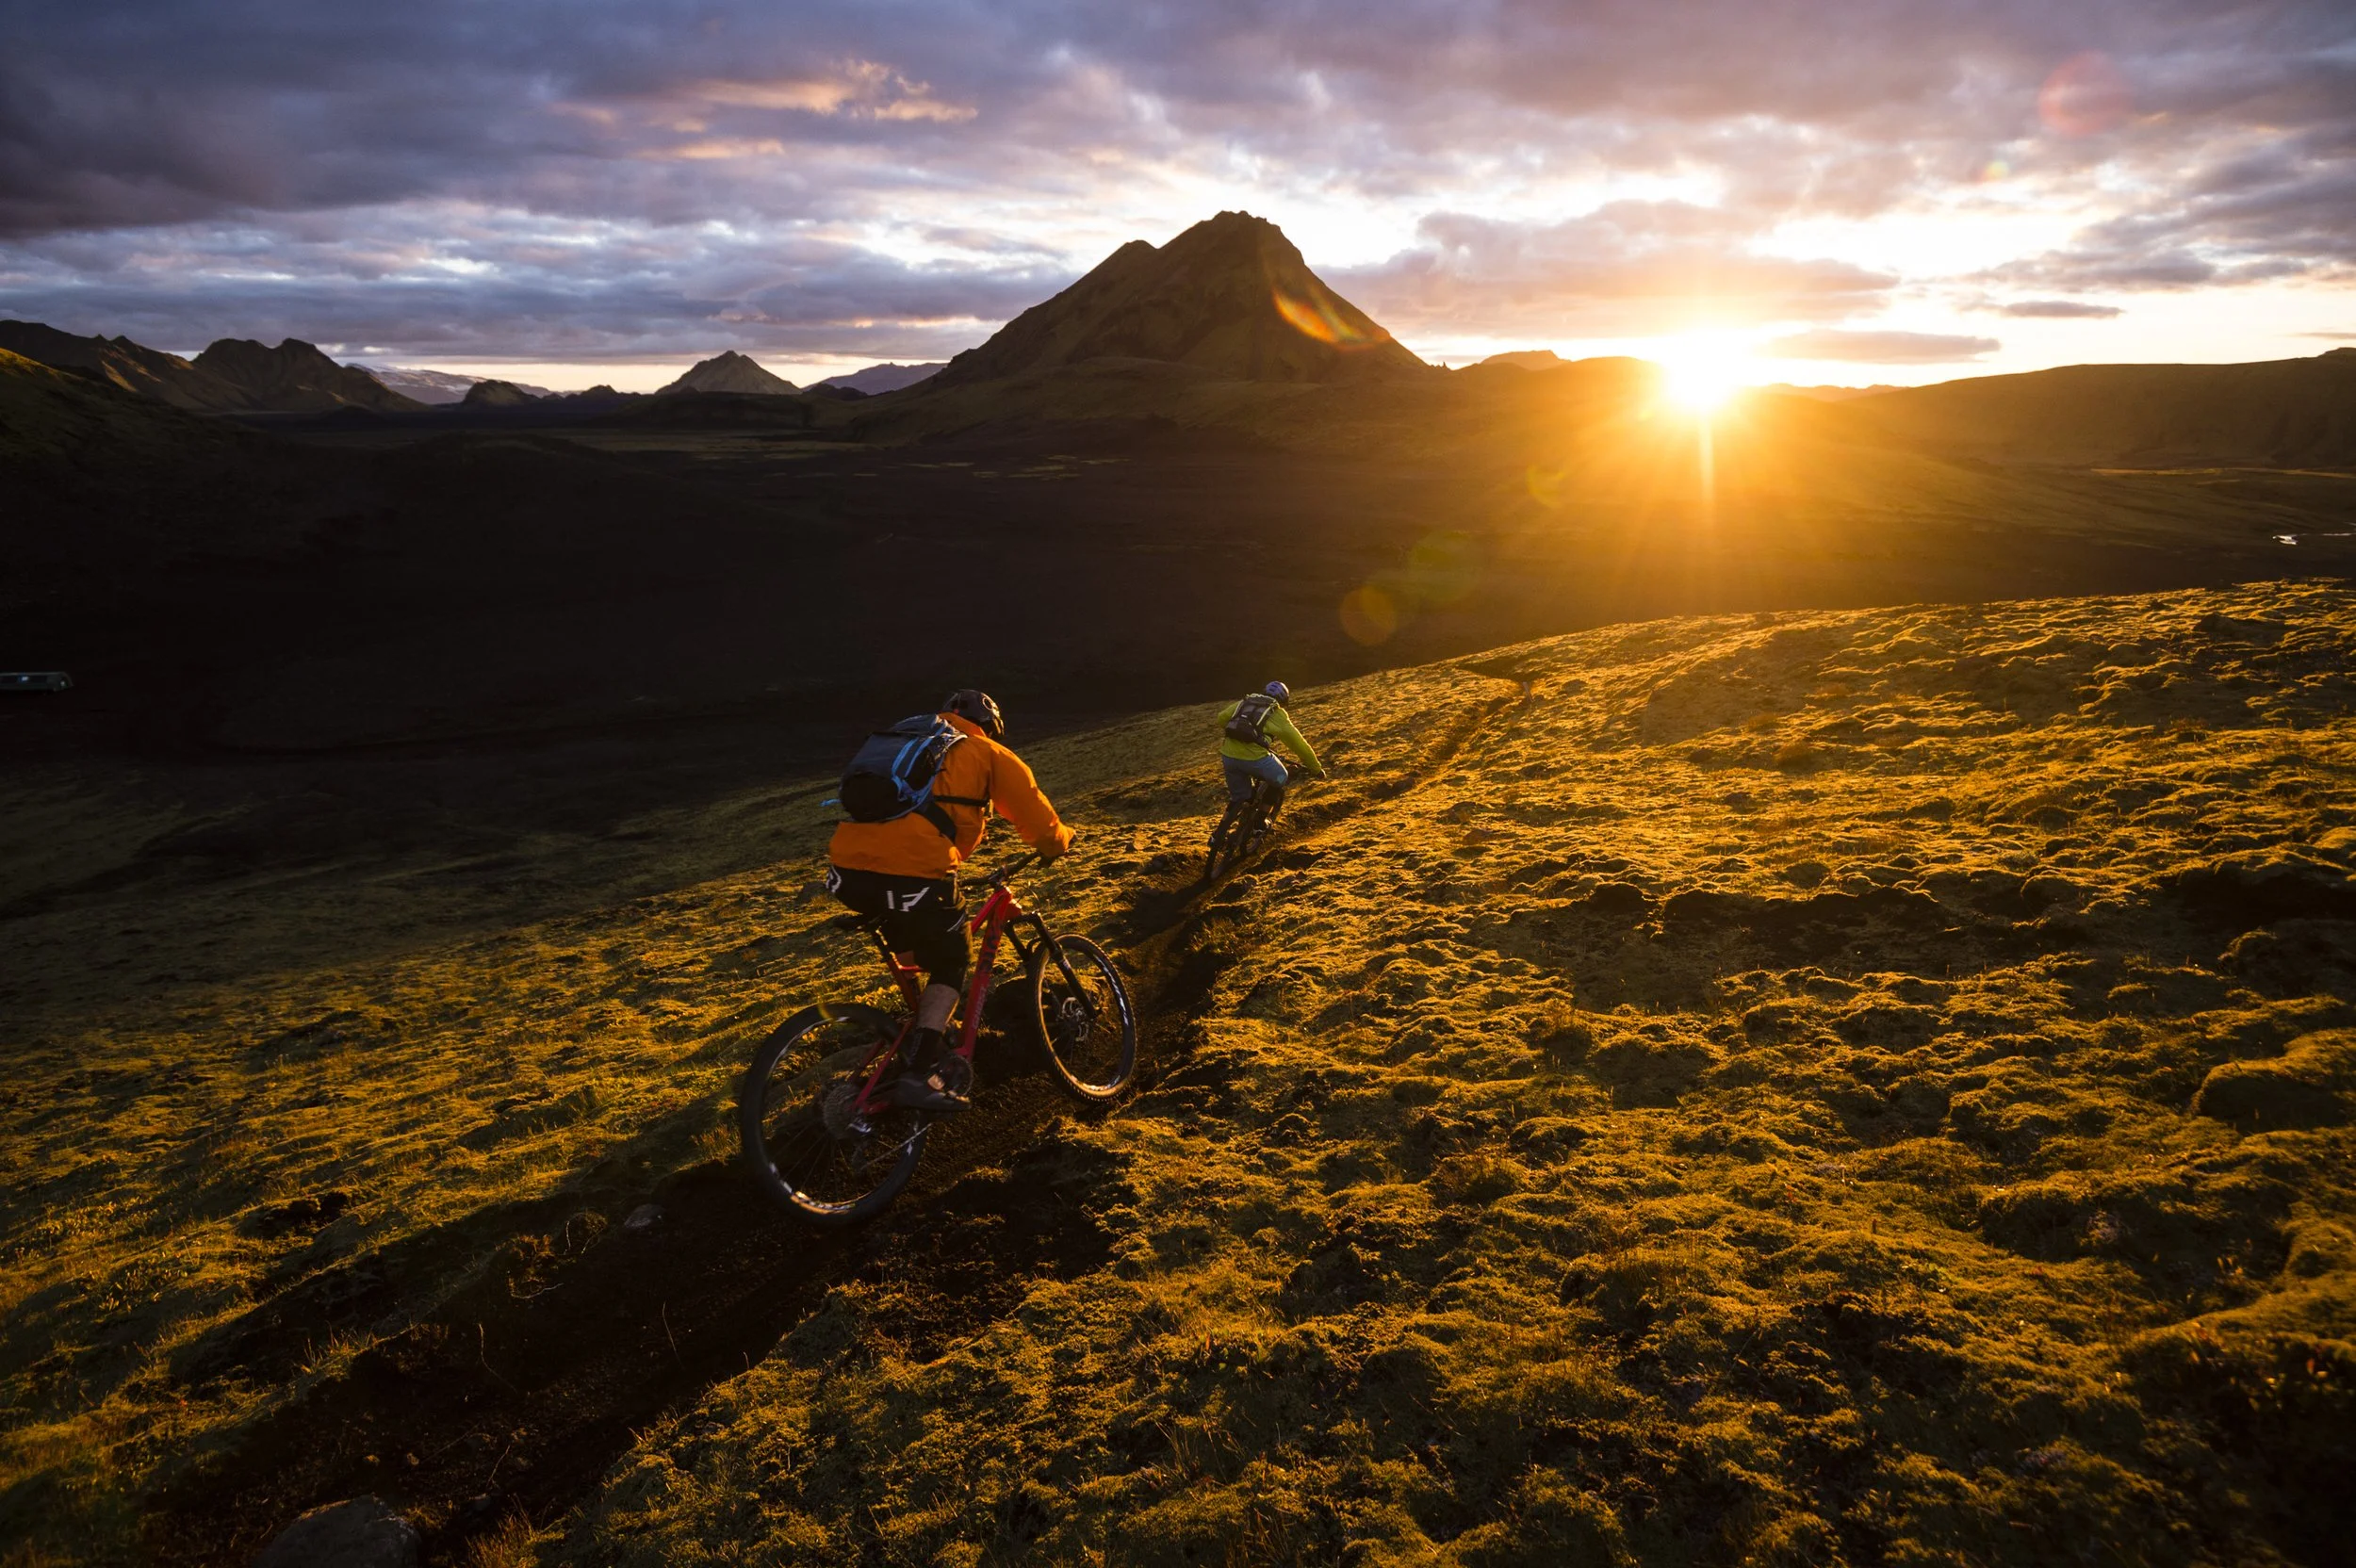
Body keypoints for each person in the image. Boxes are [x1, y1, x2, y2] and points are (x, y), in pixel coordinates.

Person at [826, 689, 1072, 1112]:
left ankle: (919, 1037)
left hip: (847, 871)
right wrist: (1057, 844)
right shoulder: (984, 750)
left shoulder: (908, 739)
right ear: (990, 725)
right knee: (952, 957)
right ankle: (920, 1073)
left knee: (920, 939)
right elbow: (1037, 818)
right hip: (914, 867)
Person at [1216, 680, 1323, 818]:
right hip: (1255, 758)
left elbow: (1221, 718)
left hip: (1228, 756)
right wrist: (1316, 769)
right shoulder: (1277, 713)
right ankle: (1260, 823)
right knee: (1280, 778)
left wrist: (1240, 732)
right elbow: (1298, 744)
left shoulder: (1246, 702)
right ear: (1284, 700)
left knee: (1239, 797)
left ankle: (1217, 835)